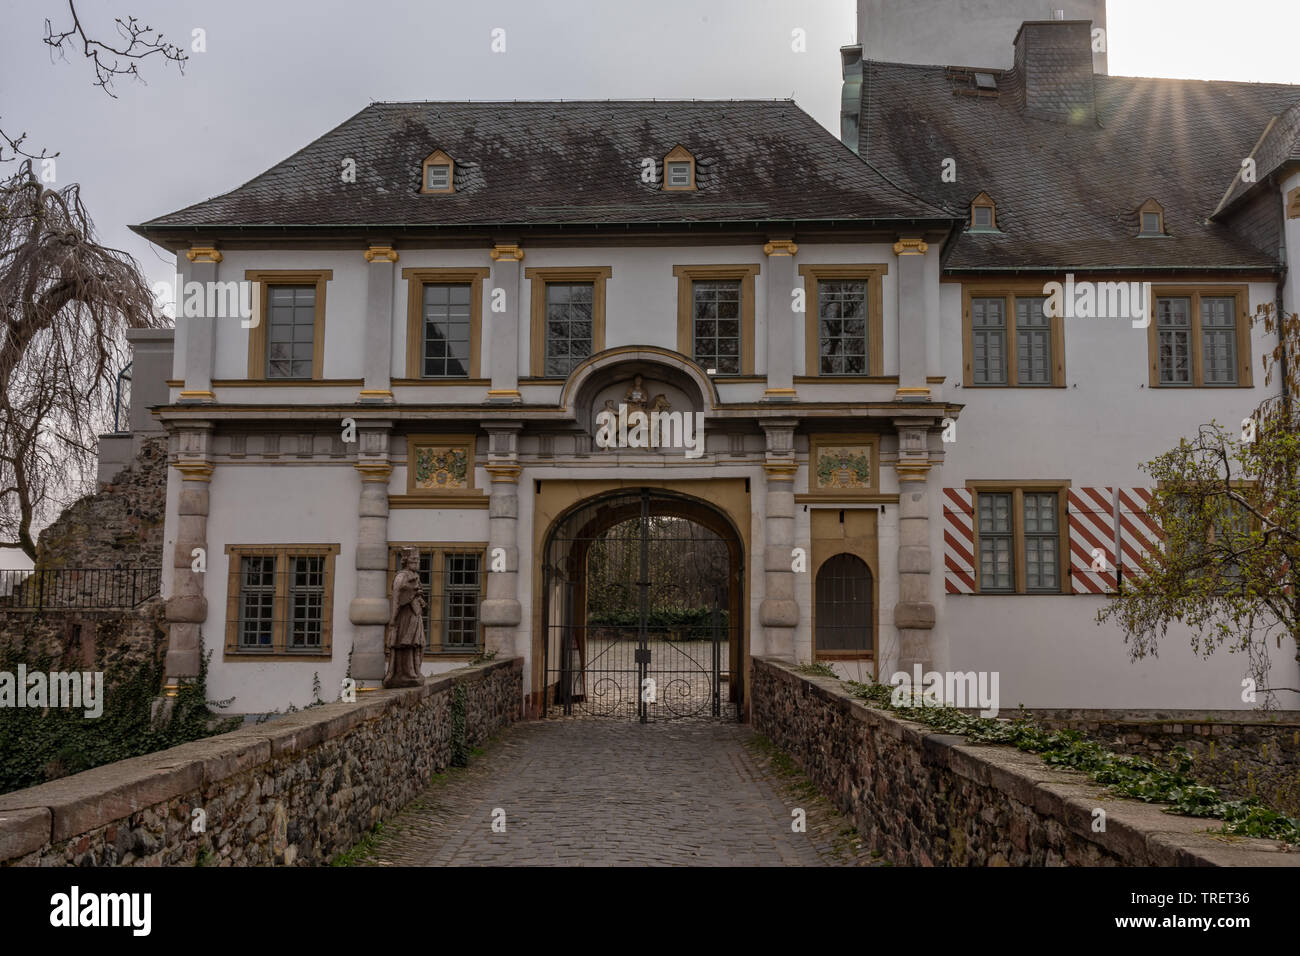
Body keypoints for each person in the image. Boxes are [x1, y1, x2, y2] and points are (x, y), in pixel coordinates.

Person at [384, 548, 426, 687]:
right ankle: (406, 674)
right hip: (405, 617)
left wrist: (419, 598)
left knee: (418, 643)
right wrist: (393, 618)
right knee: (406, 643)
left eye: (418, 560)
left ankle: (415, 670)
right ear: (406, 561)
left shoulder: (415, 575)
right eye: (415, 560)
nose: (418, 562)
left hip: (415, 614)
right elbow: (397, 598)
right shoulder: (401, 577)